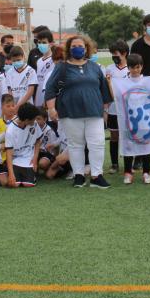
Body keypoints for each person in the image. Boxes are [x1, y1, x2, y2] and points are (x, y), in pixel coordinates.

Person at [45, 35, 113, 189]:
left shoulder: (94, 67)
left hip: (94, 112)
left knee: (97, 143)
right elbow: (50, 88)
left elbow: (104, 91)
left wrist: (105, 111)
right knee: (76, 145)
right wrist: (51, 108)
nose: (78, 48)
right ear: (69, 49)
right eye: (74, 46)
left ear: (86, 48)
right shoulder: (61, 67)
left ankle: (97, 176)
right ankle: (79, 176)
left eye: (81, 46)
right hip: (70, 112)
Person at [120, 54, 150, 184]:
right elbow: (117, 96)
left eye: (138, 67)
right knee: (129, 146)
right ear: (128, 68)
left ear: (142, 67)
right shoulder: (122, 81)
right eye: (132, 67)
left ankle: (146, 173)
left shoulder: (148, 80)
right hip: (129, 121)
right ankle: (128, 173)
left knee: (146, 147)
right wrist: (110, 82)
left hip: (145, 120)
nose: (135, 70)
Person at [104, 40, 130, 174]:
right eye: (112, 54)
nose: (114, 56)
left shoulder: (131, 68)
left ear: (124, 53)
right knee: (114, 136)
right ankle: (114, 163)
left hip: (128, 109)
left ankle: (130, 162)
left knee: (128, 136)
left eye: (116, 53)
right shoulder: (109, 69)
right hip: (113, 109)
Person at [4, 103, 43, 187]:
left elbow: (38, 140)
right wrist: (11, 174)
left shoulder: (34, 124)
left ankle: (31, 175)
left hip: (29, 158)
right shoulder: (10, 130)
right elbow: (9, 153)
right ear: (26, 120)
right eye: (33, 119)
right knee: (14, 185)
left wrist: (35, 158)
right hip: (15, 159)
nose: (35, 120)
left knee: (28, 185)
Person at [34, 30, 55, 108]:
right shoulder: (39, 61)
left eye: (44, 42)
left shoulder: (55, 60)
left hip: (50, 98)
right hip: (38, 97)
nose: (41, 45)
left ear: (51, 44)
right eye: (39, 42)